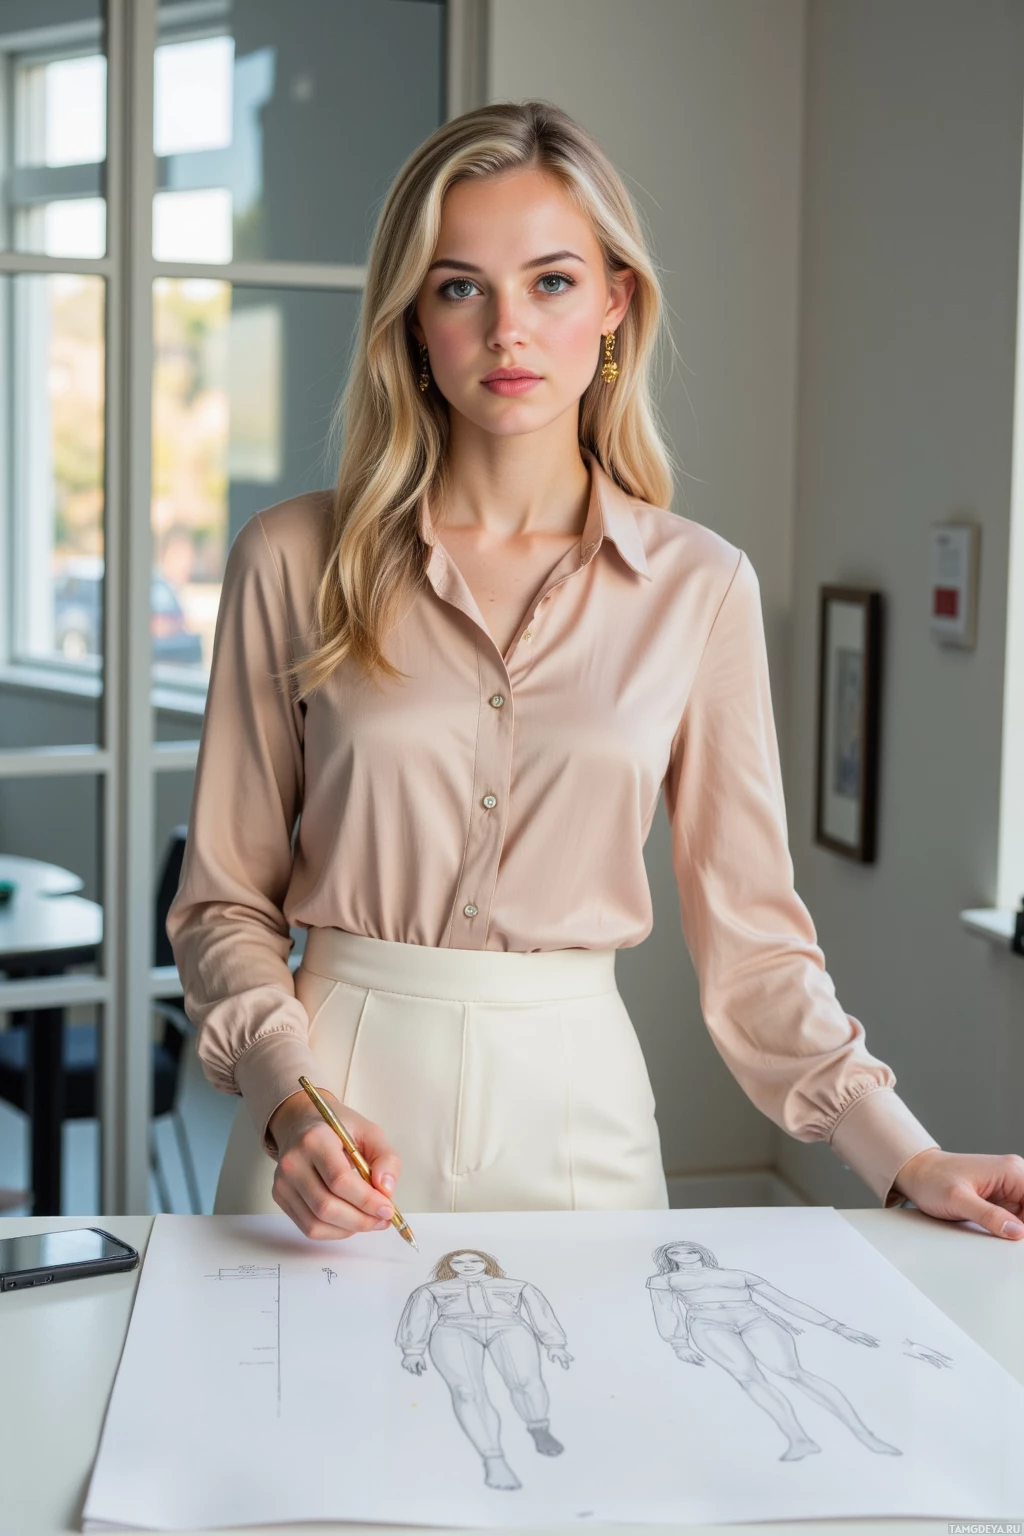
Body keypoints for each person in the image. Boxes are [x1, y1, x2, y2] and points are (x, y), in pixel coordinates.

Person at [166, 100, 1024, 1244]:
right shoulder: (290, 558)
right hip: (329, 1110)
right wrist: (288, 1099)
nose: (507, 330)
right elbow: (223, 903)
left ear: (615, 302)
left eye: (553, 282)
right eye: (459, 285)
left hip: (577, 1115)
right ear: (414, 320)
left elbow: (755, 938)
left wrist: (902, 1153)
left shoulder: (698, 586)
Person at [646, 1240, 900, 1462]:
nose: (684, 1254)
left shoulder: (738, 1274)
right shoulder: (664, 1280)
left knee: (792, 1372)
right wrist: (678, 1343)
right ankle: (799, 1440)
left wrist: (837, 1327)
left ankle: (864, 1435)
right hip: (706, 1324)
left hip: (754, 1318)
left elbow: (785, 1301)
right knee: (748, 1377)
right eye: (675, 1253)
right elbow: (666, 1311)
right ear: (667, 1258)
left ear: (700, 1251)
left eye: (689, 1249)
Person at [396, 1248, 571, 1490]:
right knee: (465, 1392)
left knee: (524, 1380)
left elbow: (541, 1314)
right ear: (450, 1266)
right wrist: (412, 1350)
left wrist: (555, 1344)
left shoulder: (517, 1286)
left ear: (486, 1263)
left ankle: (538, 1426)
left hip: (508, 1326)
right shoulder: (432, 1289)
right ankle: (493, 1459)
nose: (467, 1265)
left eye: (474, 1260)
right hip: (453, 1329)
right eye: (458, 1261)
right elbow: (416, 1317)